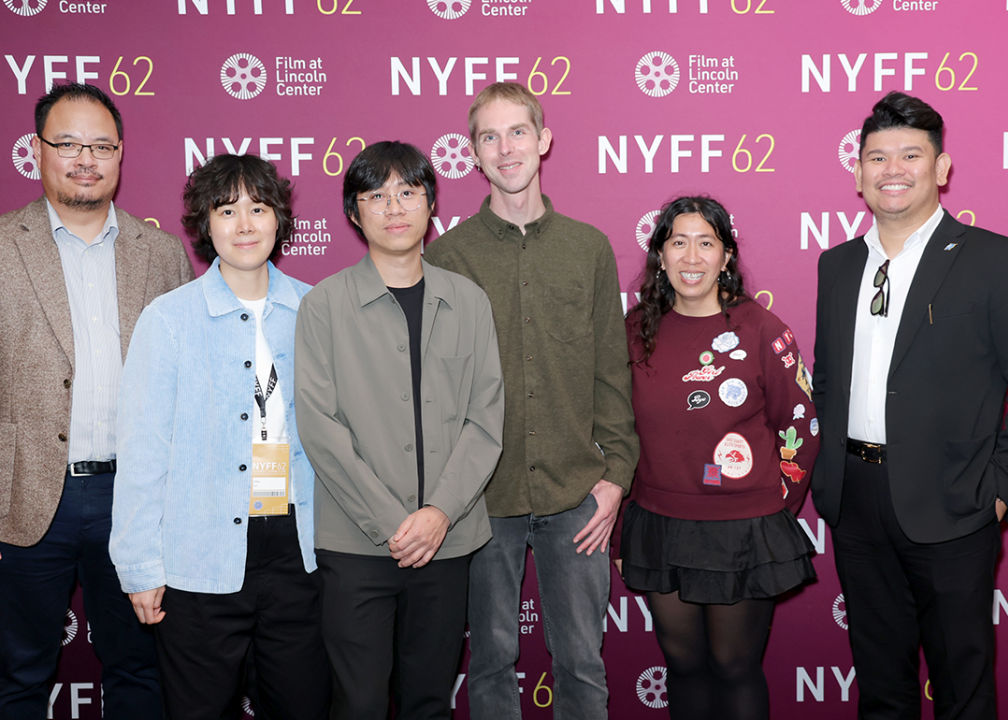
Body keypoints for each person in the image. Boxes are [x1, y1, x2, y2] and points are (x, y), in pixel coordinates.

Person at [424, 81, 639, 720]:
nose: (506, 149)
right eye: (489, 137)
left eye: (517, 132)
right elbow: (435, 388)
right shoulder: (447, 255)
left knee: (581, 663)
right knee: (490, 662)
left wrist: (616, 478)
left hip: (577, 494)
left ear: (543, 140)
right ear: (473, 153)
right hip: (481, 499)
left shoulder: (588, 247)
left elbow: (611, 372)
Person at [109, 153, 329, 720]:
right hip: (199, 553)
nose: (245, 224)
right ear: (205, 224)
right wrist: (140, 567)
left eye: (258, 208)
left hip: (298, 550)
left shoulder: (316, 309)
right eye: (227, 211)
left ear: (279, 218)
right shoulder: (168, 319)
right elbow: (143, 452)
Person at [811, 91, 1008, 720]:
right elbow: (827, 382)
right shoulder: (838, 265)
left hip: (955, 503)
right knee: (881, 688)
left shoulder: (994, 260)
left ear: (941, 168)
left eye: (910, 155)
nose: (891, 169)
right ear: (857, 173)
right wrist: (830, 481)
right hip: (855, 503)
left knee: (963, 688)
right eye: (877, 157)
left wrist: (998, 488)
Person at [0, 82, 194, 719]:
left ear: (120, 154)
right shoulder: (3, 246)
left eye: (102, 146)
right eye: (69, 144)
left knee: (141, 671)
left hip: (134, 501)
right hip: (24, 500)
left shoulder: (161, 255)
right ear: (36, 150)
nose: (86, 159)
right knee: (17, 676)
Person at [294, 140, 503, 720]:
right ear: (353, 212)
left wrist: (439, 513)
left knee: (429, 701)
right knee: (359, 703)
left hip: (447, 541)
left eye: (408, 193)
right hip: (357, 545)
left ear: (431, 205)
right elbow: (320, 426)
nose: (394, 208)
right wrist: (393, 522)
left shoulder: (468, 301)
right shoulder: (324, 305)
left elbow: (485, 419)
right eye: (376, 196)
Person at [619, 196, 818, 720]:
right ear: (660, 255)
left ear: (726, 255)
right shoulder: (634, 331)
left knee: (734, 667)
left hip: (742, 530)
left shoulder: (761, 329)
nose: (692, 257)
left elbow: (801, 424)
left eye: (706, 243)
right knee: (683, 666)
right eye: (678, 242)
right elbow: (616, 436)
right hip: (659, 525)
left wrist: (769, 507)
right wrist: (620, 529)